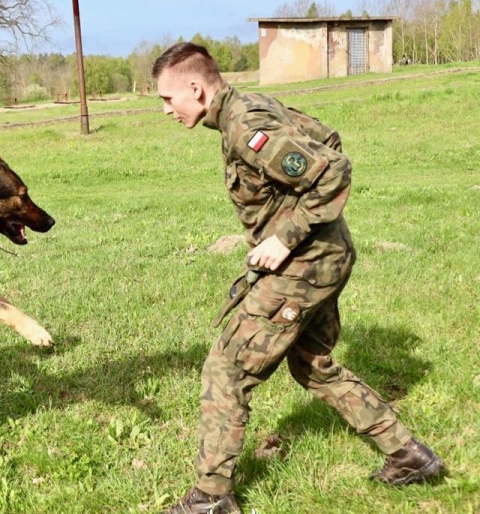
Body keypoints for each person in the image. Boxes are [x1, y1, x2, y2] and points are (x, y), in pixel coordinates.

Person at [152, 42, 443, 514]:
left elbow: (332, 170)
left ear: (195, 88)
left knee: (226, 370)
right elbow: (326, 139)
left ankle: (210, 498)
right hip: (325, 257)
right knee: (311, 363)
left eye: (167, 99)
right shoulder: (248, 108)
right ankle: (408, 455)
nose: (165, 109)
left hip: (304, 266)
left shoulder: (247, 124)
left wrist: (285, 236)